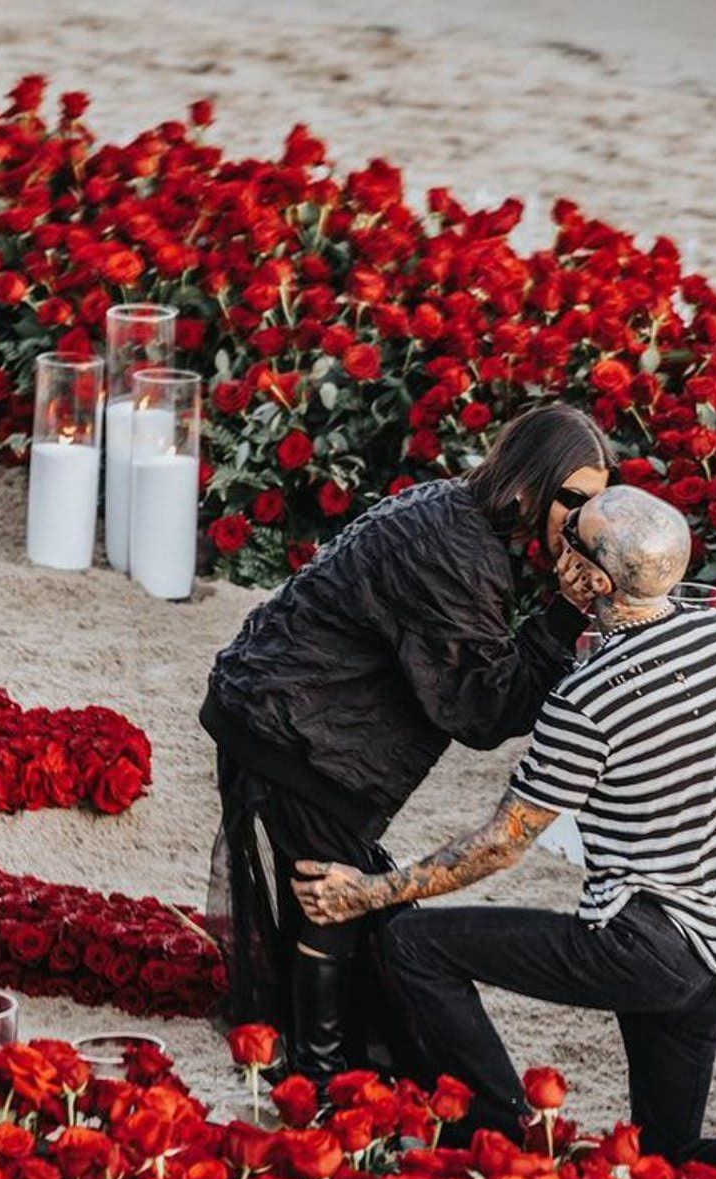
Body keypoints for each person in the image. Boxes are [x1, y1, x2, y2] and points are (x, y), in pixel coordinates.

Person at [292, 485, 716, 1163]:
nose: (558, 536)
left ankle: (512, 1137)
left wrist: (367, 892)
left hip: (643, 943)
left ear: (593, 579)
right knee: (669, 1159)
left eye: (574, 537)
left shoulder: (587, 698)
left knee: (415, 944)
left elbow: (500, 845)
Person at [200, 403, 617, 1085]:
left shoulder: (461, 516)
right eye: (570, 499)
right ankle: (320, 1078)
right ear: (525, 483)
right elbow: (480, 710)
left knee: (350, 898)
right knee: (333, 896)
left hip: (286, 713)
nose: (580, 522)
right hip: (291, 728)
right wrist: (565, 613)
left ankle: (321, 1063)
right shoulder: (458, 551)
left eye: (594, 506)